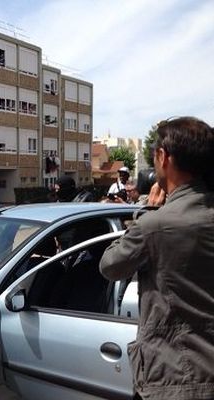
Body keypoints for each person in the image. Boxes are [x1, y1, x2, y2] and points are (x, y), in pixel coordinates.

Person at [99, 117, 214, 400]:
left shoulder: (155, 226)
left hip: (175, 377)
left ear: (164, 157)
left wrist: (147, 215)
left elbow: (110, 265)